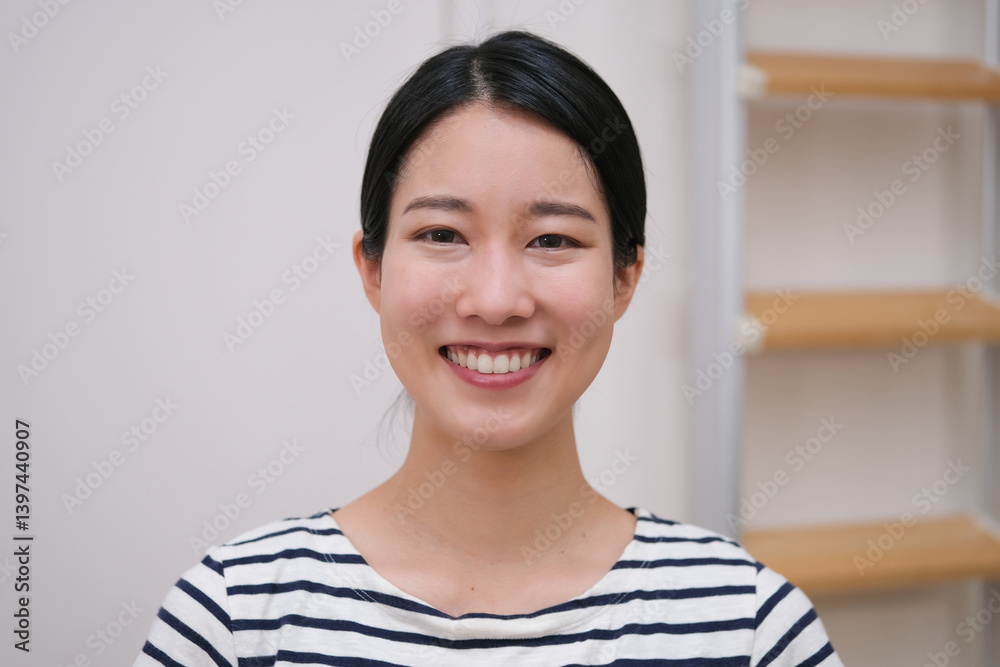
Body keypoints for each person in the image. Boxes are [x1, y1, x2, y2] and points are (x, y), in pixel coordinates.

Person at [135, 30, 842, 666]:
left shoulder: (750, 626)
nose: (497, 300)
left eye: (552, 239)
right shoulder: (235, 619)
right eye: (442, 234)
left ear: (625, 276)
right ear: (372, 270)